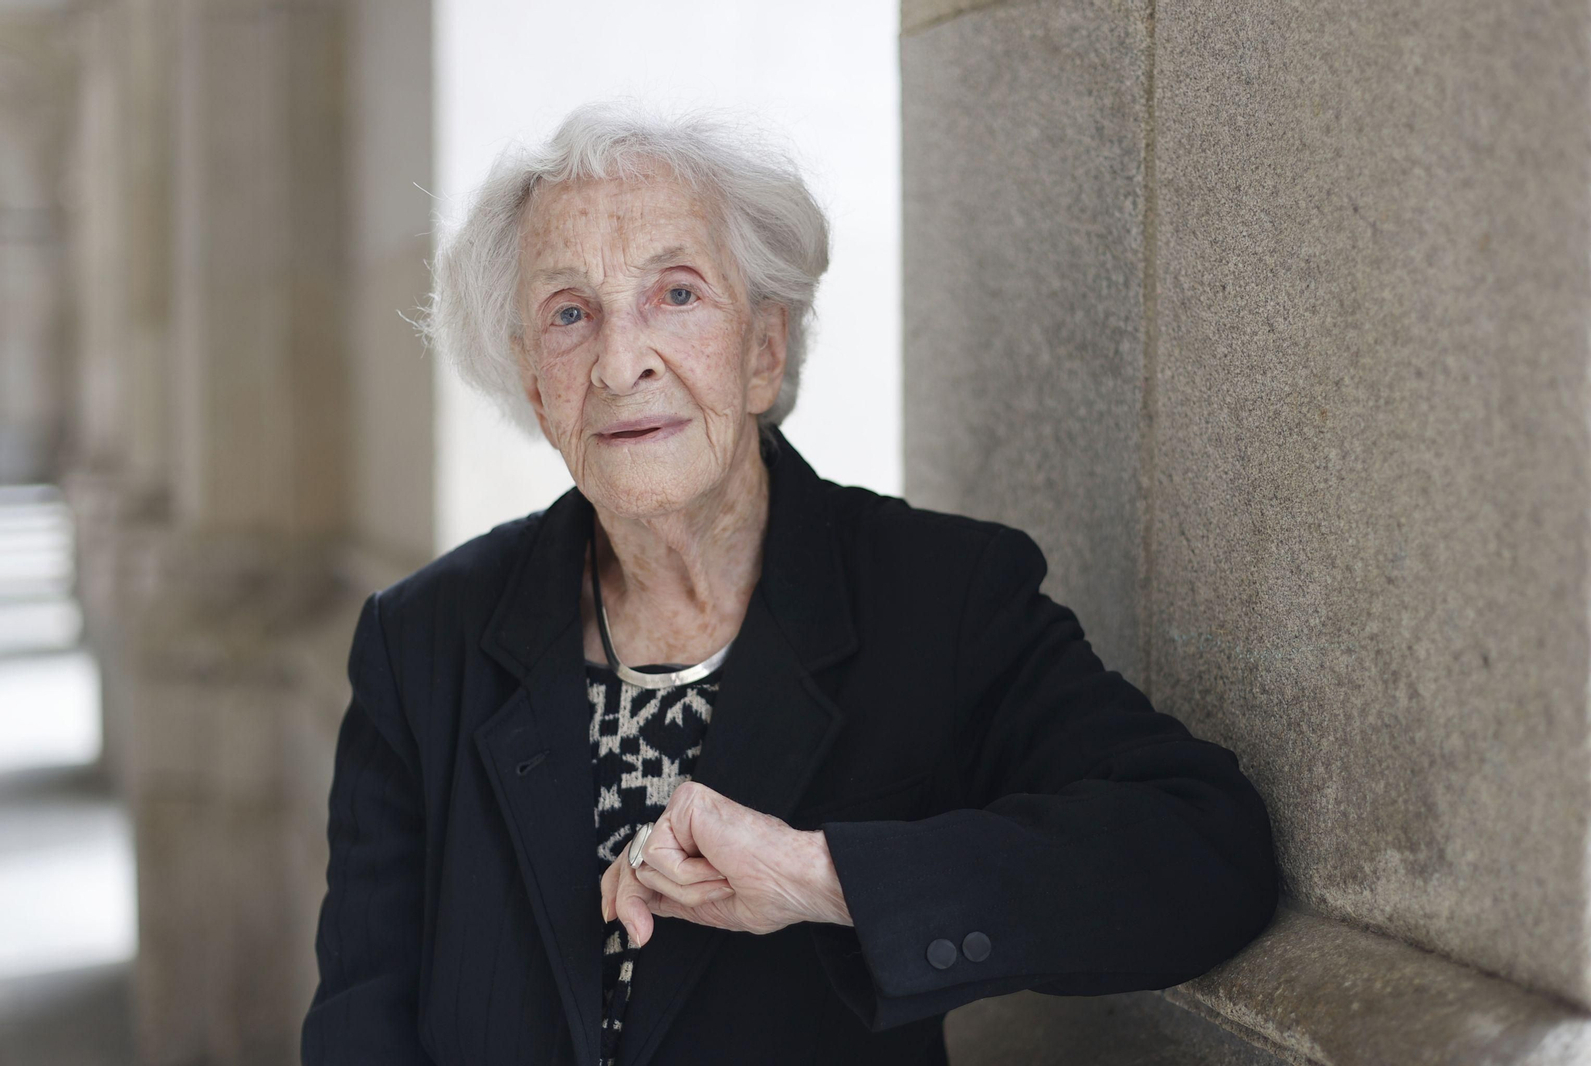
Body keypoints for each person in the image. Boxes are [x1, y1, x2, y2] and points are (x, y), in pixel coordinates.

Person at [299, 101, 1279, 1066]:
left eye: (677, 294)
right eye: (569, 313)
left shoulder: (935, 597)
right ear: (532, 380)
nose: (620, 362)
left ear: (764, 349)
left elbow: (1204, 854)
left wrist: (826, 876)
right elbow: (359, 1026)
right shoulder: (422, 638)